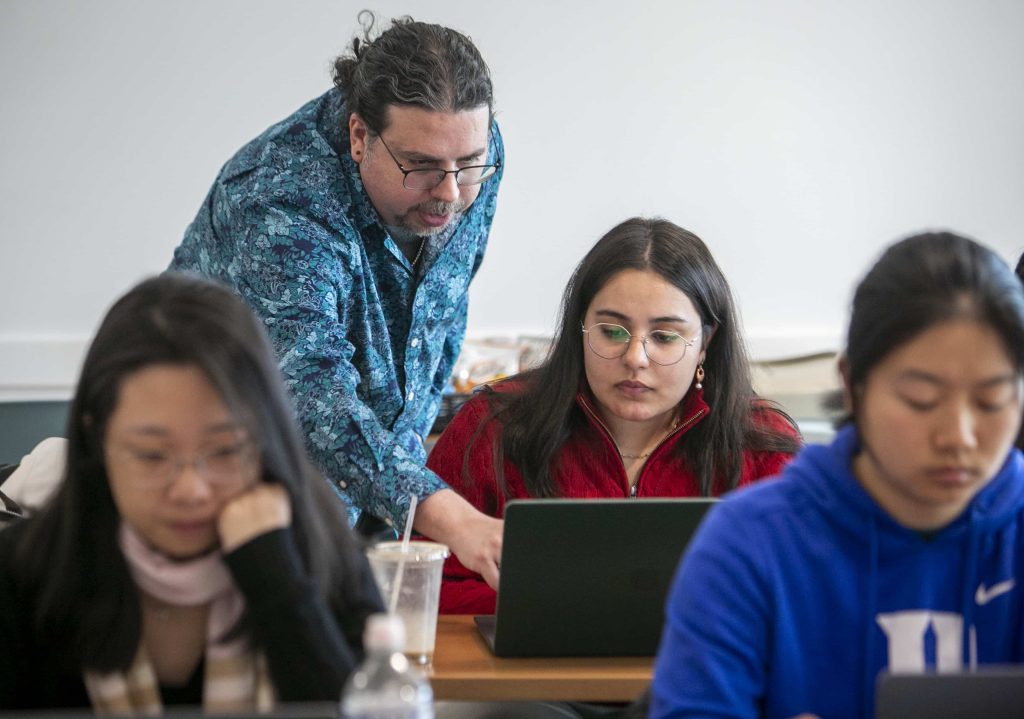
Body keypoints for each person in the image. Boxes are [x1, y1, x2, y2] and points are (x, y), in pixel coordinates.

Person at [168, 13, 506, 587]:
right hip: (225, 494)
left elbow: (437, 315)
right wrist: (444, 512)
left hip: (375, 501)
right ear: (358, 136)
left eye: (468, 165)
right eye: (421, 167)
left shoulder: (467, 151)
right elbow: (309, 392)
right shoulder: (281, 196)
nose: (450, 193)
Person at [649, 232, 1024, 719]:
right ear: (852, 385)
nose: (959, 436)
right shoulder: (749, 544)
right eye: (920, 401)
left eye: (991, 401)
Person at [0, 274, 384, 710]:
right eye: (151, 456)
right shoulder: (23, 577)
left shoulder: (327, 559)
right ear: (97, 440)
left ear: (263, 438)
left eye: (223, 450)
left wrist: (275, 575)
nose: (190, 490)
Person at [427, 217, 802, 614]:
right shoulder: (492, 425)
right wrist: (563, 607)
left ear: (704, 344)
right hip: (530, 674)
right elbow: (419, 583)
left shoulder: (762, 443)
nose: (635, 358)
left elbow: (803, 593)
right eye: (613, 331)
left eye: (665, 337)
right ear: (581, 330)